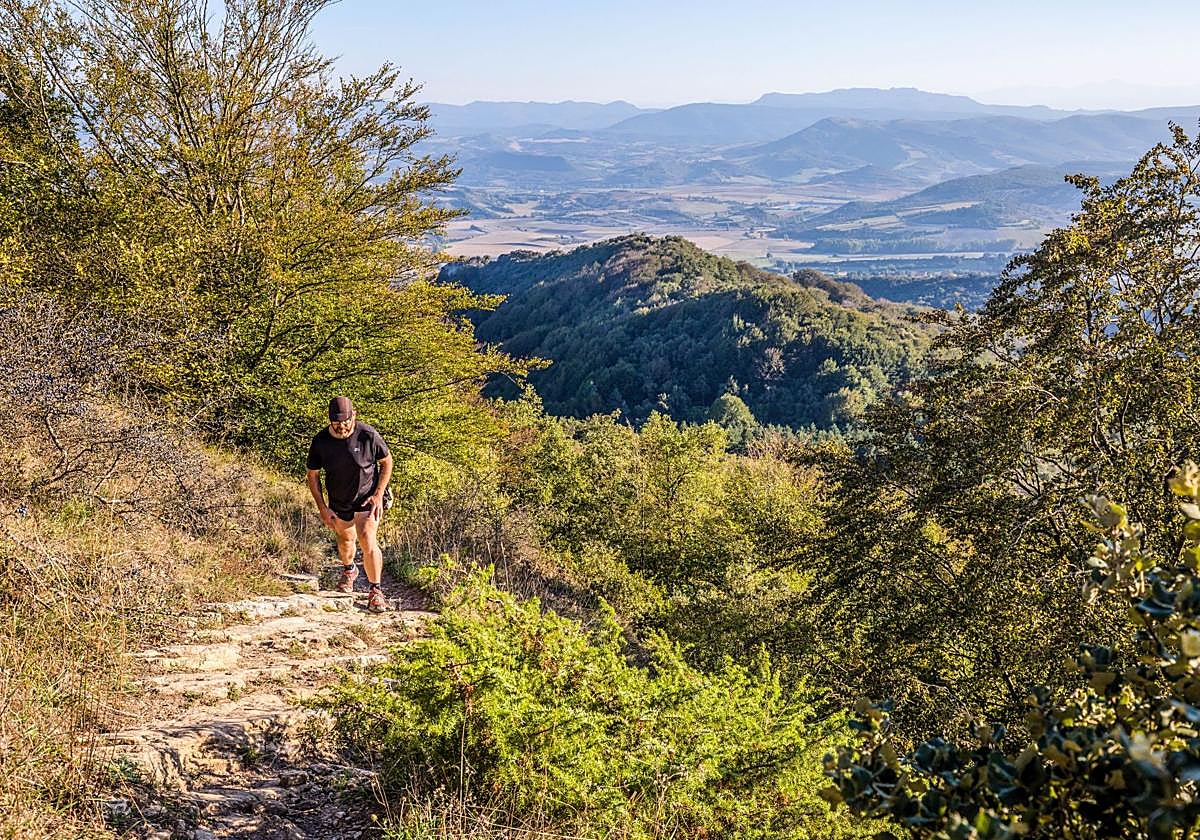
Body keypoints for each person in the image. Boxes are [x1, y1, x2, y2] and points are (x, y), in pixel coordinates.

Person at [305, 396, 394, 613]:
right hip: (339, 500)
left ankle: (376, 591)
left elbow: (387, 461)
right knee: (346, 541)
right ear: (330, 421)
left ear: (353, 416)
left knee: (367, 537)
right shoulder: (320, 441)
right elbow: (313, 475)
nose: (342, 427)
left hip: (368, 497)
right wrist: (322, 508)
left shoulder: (368, 435)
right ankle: (350, 569)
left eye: (346, 422)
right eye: (337, 423)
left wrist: (378, 493)